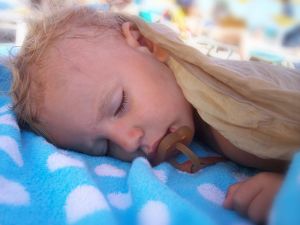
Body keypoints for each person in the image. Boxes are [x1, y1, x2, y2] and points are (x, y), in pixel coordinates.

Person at [10, 5, 300, 224]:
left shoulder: (236, 117)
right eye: (104, 147)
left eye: (119, 105)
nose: (128, 142)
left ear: (146, 45)